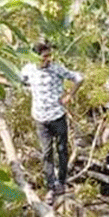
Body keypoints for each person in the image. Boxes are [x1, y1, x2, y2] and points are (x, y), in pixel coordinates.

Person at [21, 42, 84, 205]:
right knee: (46, 153)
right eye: (44, 56)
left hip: (57, 115)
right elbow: (19, 81)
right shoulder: (28, 70)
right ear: (35, 57)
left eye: (49, 56)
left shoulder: (56, 68)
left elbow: (79, 78)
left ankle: (61, 182)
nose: (48, 59)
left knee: (62, 150)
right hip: (40, 118)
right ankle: (50, 186)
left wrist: (70, 95)